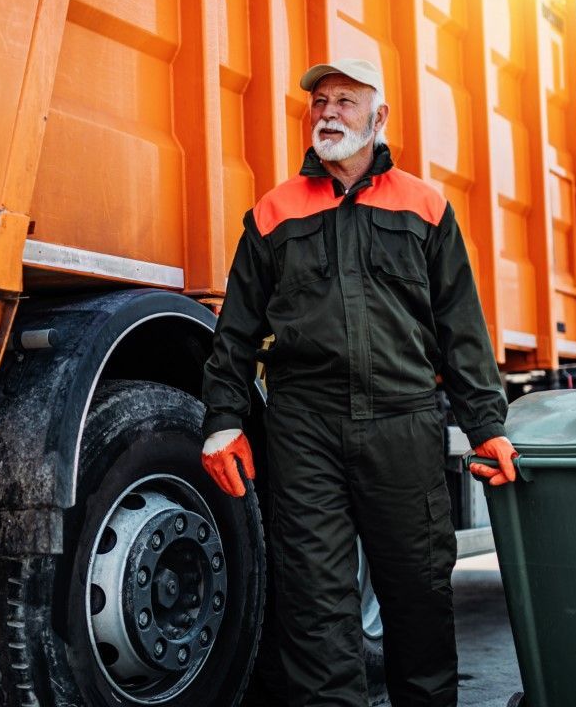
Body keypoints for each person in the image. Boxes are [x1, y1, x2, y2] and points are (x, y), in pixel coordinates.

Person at [199, 57, 517, 707]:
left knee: (418, 594)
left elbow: (462, 326)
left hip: (404, 422)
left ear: (379, 116)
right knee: (315, 607)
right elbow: (234, 329)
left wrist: (486, 426)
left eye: (345, 99)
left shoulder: (424, 206)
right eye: (319, 101)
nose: (328, 111)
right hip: (305, 429)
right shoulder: (274, 211)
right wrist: (223, 419)